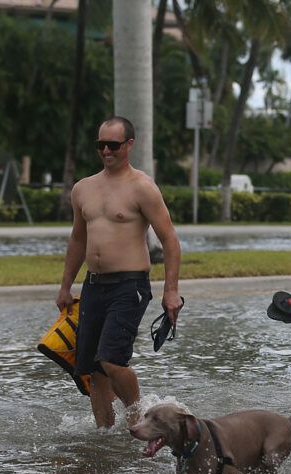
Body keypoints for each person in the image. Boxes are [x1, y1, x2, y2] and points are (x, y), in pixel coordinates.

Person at [56, 116, 183, 429]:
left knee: (111, 360)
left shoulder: (142, 188)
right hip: (93, 285)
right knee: (92, 370)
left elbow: (170, 241)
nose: (106, 151)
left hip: (130, 285)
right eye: (101, 145)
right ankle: (105, 434)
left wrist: (170, 290)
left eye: (113, 144)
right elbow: (78, 239)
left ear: (129, 144)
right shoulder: (82, 188)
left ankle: (138, 417)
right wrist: (65, 286)